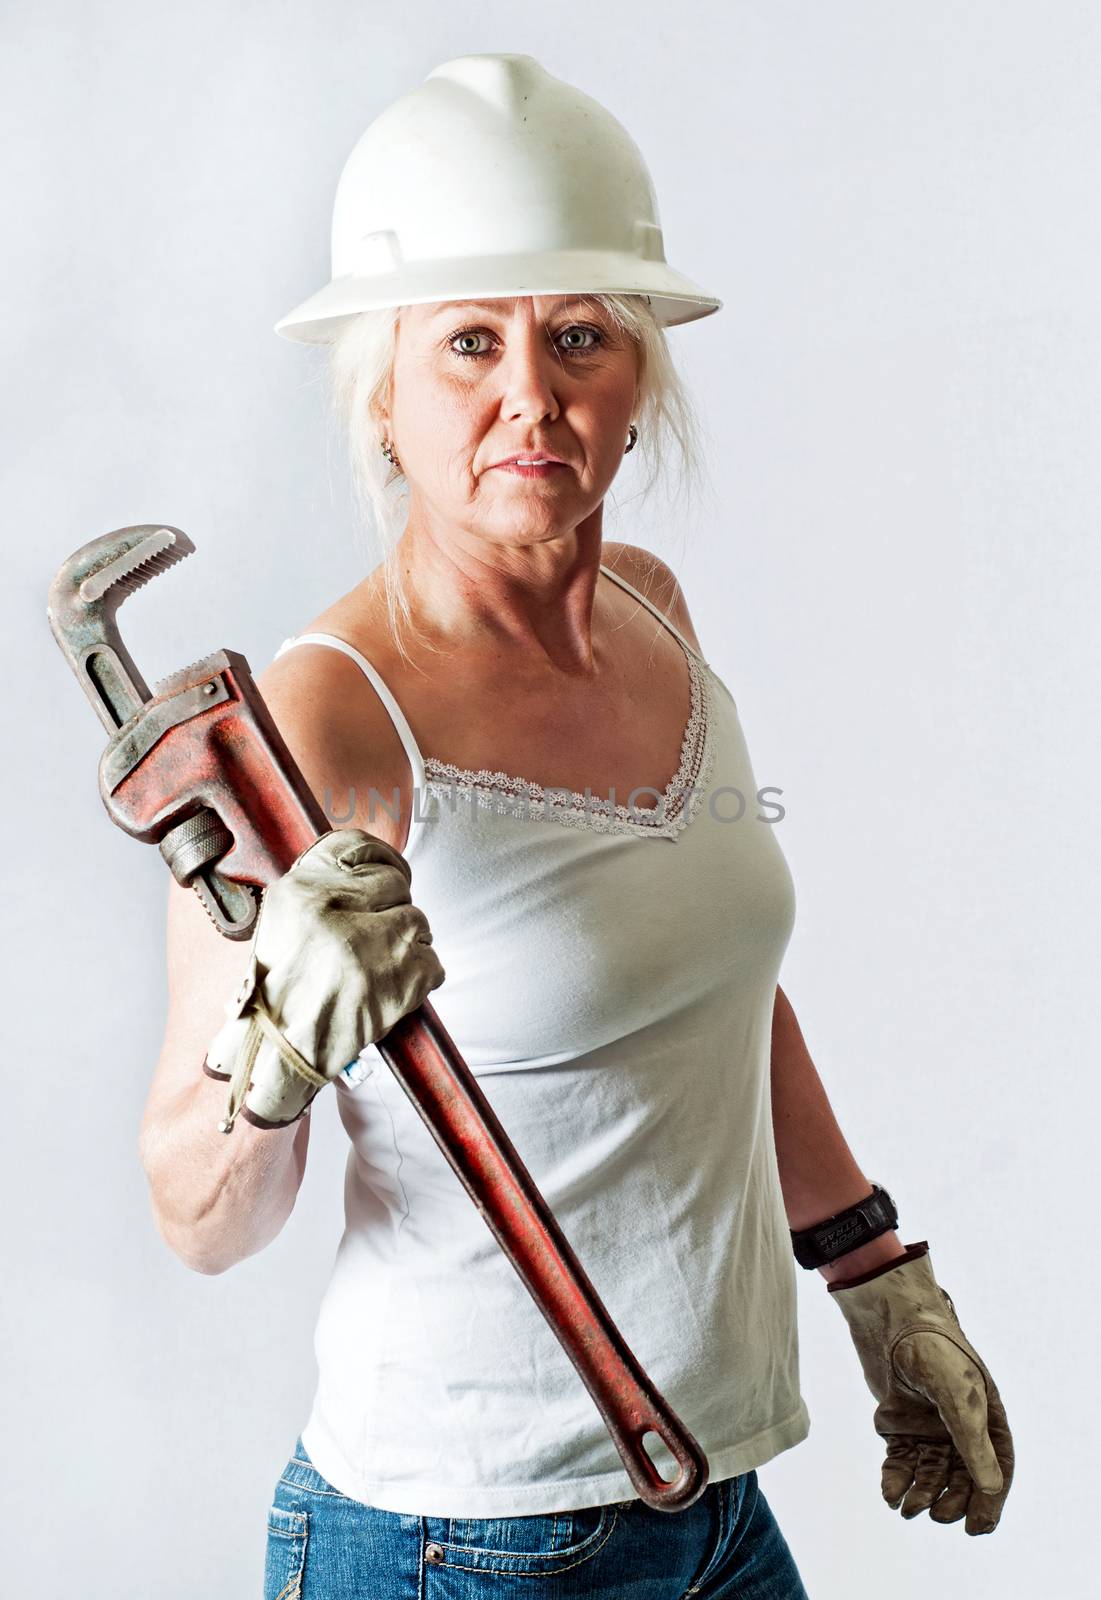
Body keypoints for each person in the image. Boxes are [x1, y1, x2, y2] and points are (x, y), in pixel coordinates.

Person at [139, 53, 1014, 1599]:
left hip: (715, 1498)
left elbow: (720, 992)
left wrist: (879, 1278)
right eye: (467, 342)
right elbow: (198, 1218)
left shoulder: (651, 614)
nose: (527, 394)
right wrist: (274, 1052)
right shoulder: (319, 730)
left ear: (636, 379)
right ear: (385, 399)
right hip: (455, 1538)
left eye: (577, 336)